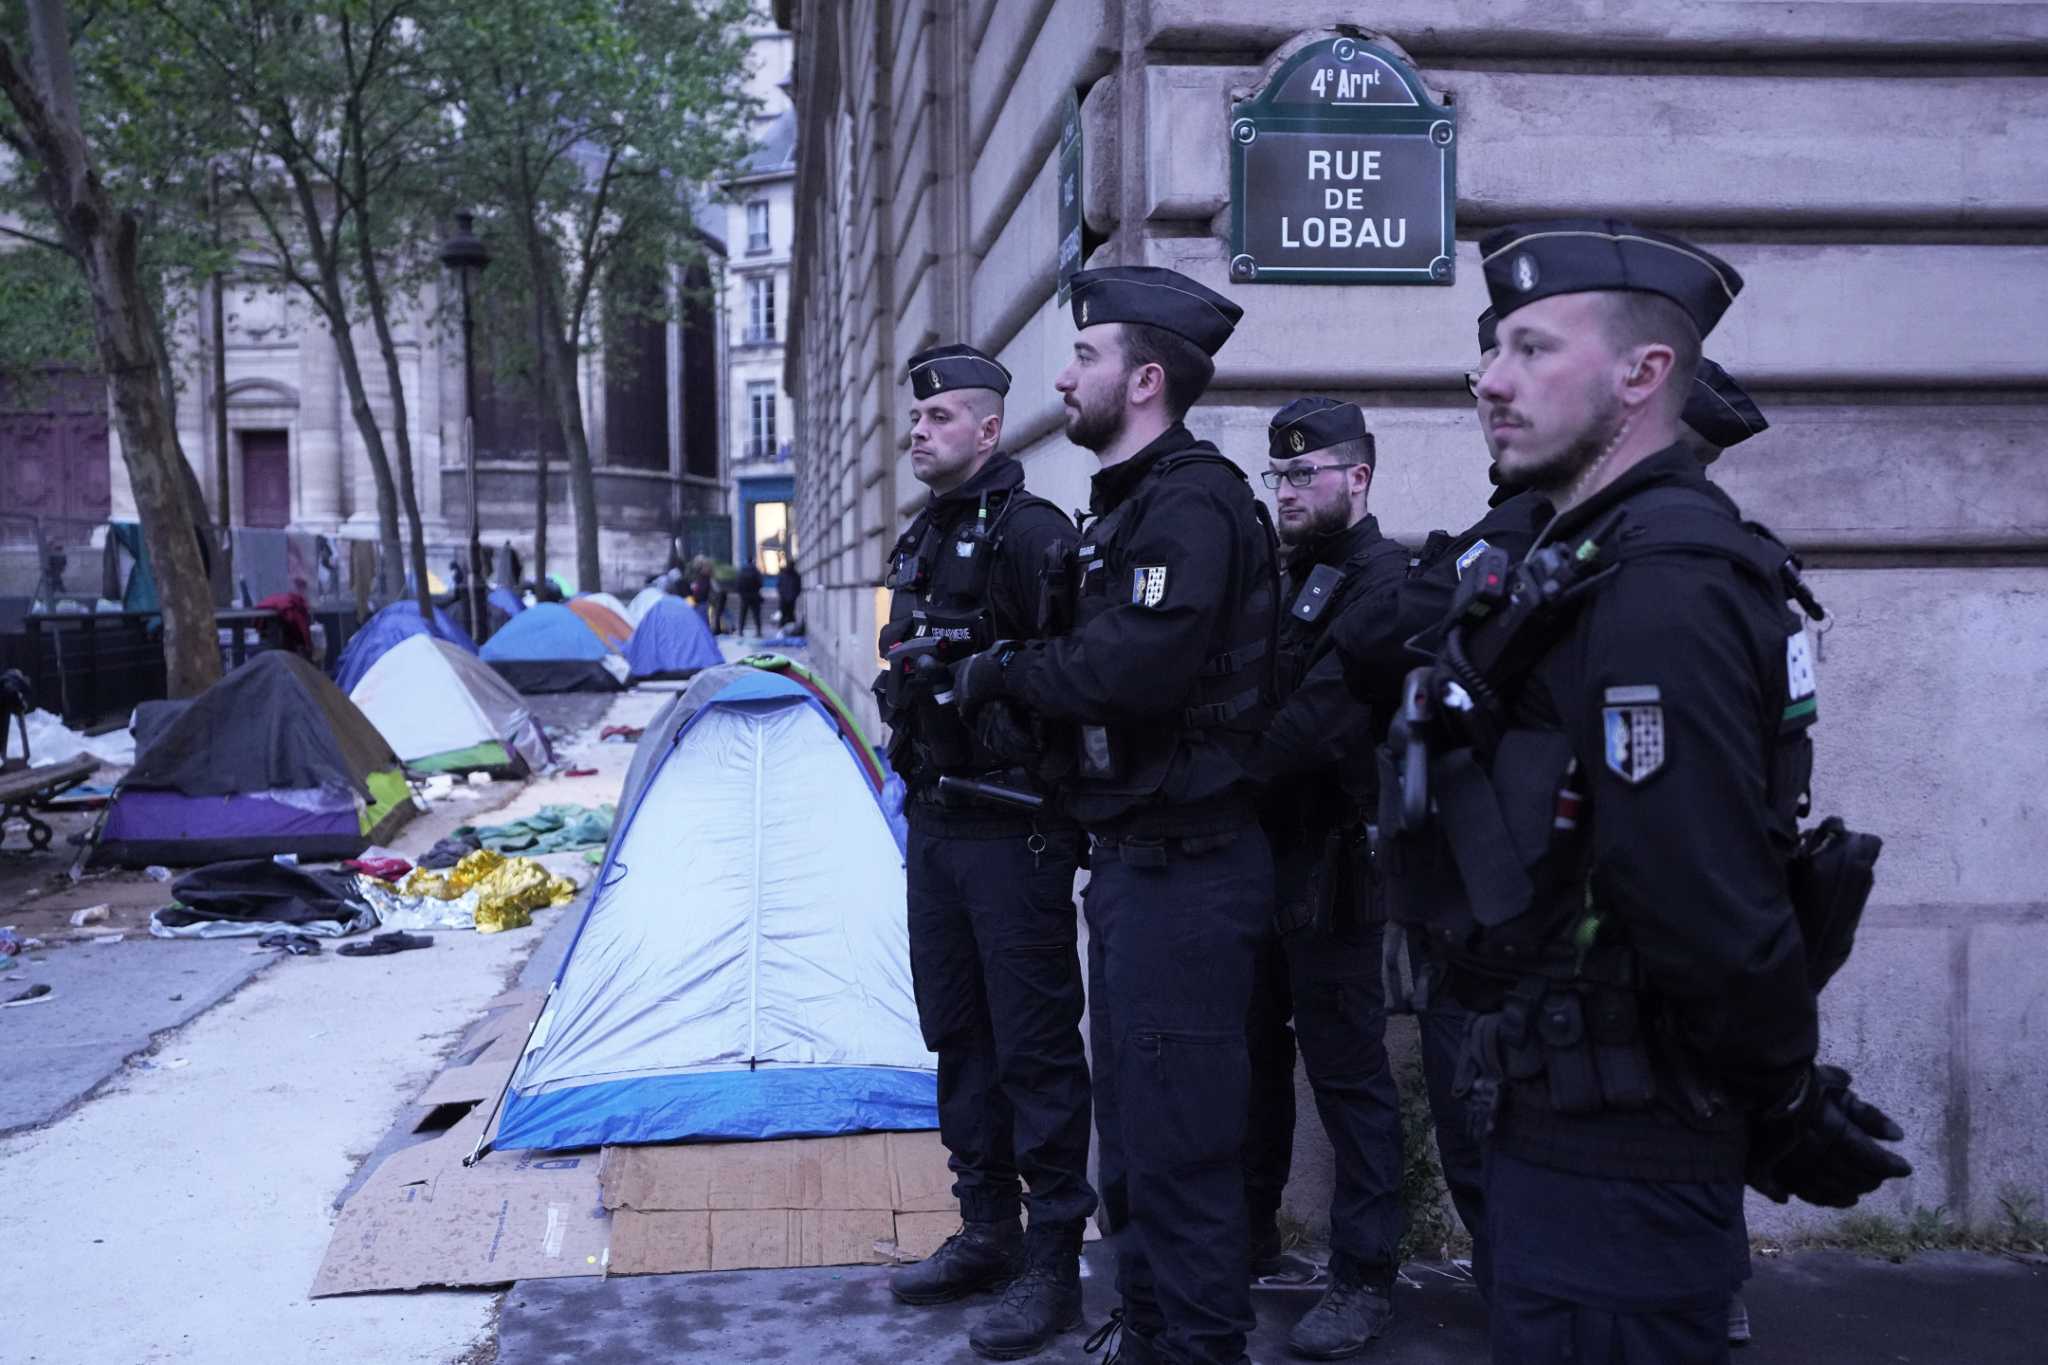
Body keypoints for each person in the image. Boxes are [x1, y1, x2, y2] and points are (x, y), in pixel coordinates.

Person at [1377, 219, 1911, 1364]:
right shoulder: (1579, 561)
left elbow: (1701, 900)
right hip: (1562, 1128)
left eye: (1529, 349)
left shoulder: (1661, 586)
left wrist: (1780, 1103)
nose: (1488, 379)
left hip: (1623, 1160)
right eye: (1491, 351)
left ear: (1642, 373)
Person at [952, 265, 1276, 1365]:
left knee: (1178, 1147)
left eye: (1083, 357)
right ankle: (1145, 1335)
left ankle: (1191, 1346)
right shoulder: (1133, 504)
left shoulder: (1191, 502)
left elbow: (1130, 668)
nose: (1062, 374)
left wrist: (1007, 672)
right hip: (1139, 863)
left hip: (1190, 869)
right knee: (1134, 1141)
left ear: (1144, 380)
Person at [874, 343, 1094, 1360]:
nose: (919, 433)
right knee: (956, 1032)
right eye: (917, 421)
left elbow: (1073, 675)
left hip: (1014, 829)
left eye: (939, 420)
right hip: (938, 823)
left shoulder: (1030, 535)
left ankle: (1053, 1260)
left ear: (990, 431)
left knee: (1034, 1045)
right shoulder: (921, 539)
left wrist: (988, 681)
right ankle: (986, 1230)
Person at [1237, 398, 1412, 1359]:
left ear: (1359, 478)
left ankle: (1365, 1274)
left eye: (1305, 474)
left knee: (1349, 1079)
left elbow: (1314, 725)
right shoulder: (1287, 576)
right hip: (1265, 859)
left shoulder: (1384, 582)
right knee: (1256, 1059)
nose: (1288, 490)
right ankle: (1251, 1235)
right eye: (1279, 475)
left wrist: (1216, 772)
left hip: (1337, 866)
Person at [735, 559, 765, 635]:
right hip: (754, 596)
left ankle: (740, 631)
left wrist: (741, 593)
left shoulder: (742, 571)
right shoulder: (756, 571)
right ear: (753, 562)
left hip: (745, 597)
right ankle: (758, 631)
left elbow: (738, 584)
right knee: (756, 615)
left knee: (743, 614)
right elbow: (760, 583)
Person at [776, 557, 803, 630]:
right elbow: (779, 586)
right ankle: (786, 630)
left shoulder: (794, 575)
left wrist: (793, 596)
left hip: (787, 598)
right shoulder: (794, 575)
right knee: (787, 615)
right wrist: (793, 596)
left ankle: (787, 630)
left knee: (788, 615)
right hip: (787, 598)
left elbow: (779, 586)